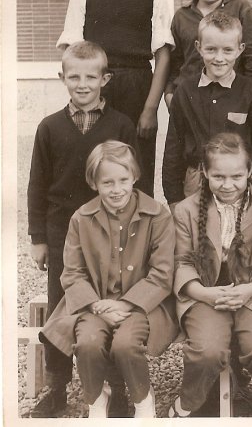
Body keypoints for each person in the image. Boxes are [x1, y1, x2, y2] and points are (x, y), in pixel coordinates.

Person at [27, 42, 139, 418]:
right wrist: (39, 238)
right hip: (62, 230)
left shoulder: (121, 125)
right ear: (62, 78)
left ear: (105, 79)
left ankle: (117, 388)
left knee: (108, 304)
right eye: (74, 76)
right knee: (63, 304)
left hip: (109, 231)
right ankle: (56, 387)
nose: (83, 84)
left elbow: (133, 182)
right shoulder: (49, 127)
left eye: (91, 76)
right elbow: (37, 185)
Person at [40, 141, 178, 418]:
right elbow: (72, 272)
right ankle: (97, 399)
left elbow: (162, 273)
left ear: (135, 176)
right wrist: (95, 305)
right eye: (107, 182)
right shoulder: (81, 218)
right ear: (94, 183)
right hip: (95, 303)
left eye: (123, 180)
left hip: (143, 305)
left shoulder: (158, 215)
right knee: (88, 342)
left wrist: (126, 305)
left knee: (126, 344)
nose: (116, 189)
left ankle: (143, 400)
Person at [169, 132, 252, 418]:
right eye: (218, 176)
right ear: (205, 172)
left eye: (236, 176)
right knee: (207, 350)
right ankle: (189, 400)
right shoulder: (185, 210)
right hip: (206, 291)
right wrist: (202, 293)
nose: (228, 185)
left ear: (250, 170)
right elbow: (181, 261)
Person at [56, 0, 173, 196]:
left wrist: (150, 109)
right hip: (96, 85)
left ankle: (139, 222)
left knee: (137, 165)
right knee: (94, 162)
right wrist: (83, 93)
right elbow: (72, 50)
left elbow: (163, 55)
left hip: (138, 87)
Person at [163, 10, 252, 206]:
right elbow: (173, 148)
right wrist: (174, 200)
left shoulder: (251, 92)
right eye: (211, 49)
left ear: (240, 49)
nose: (219, 58)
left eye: (227, 50)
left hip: (238, 185)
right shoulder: (185, 91)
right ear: (199, 47)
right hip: (196, 184)